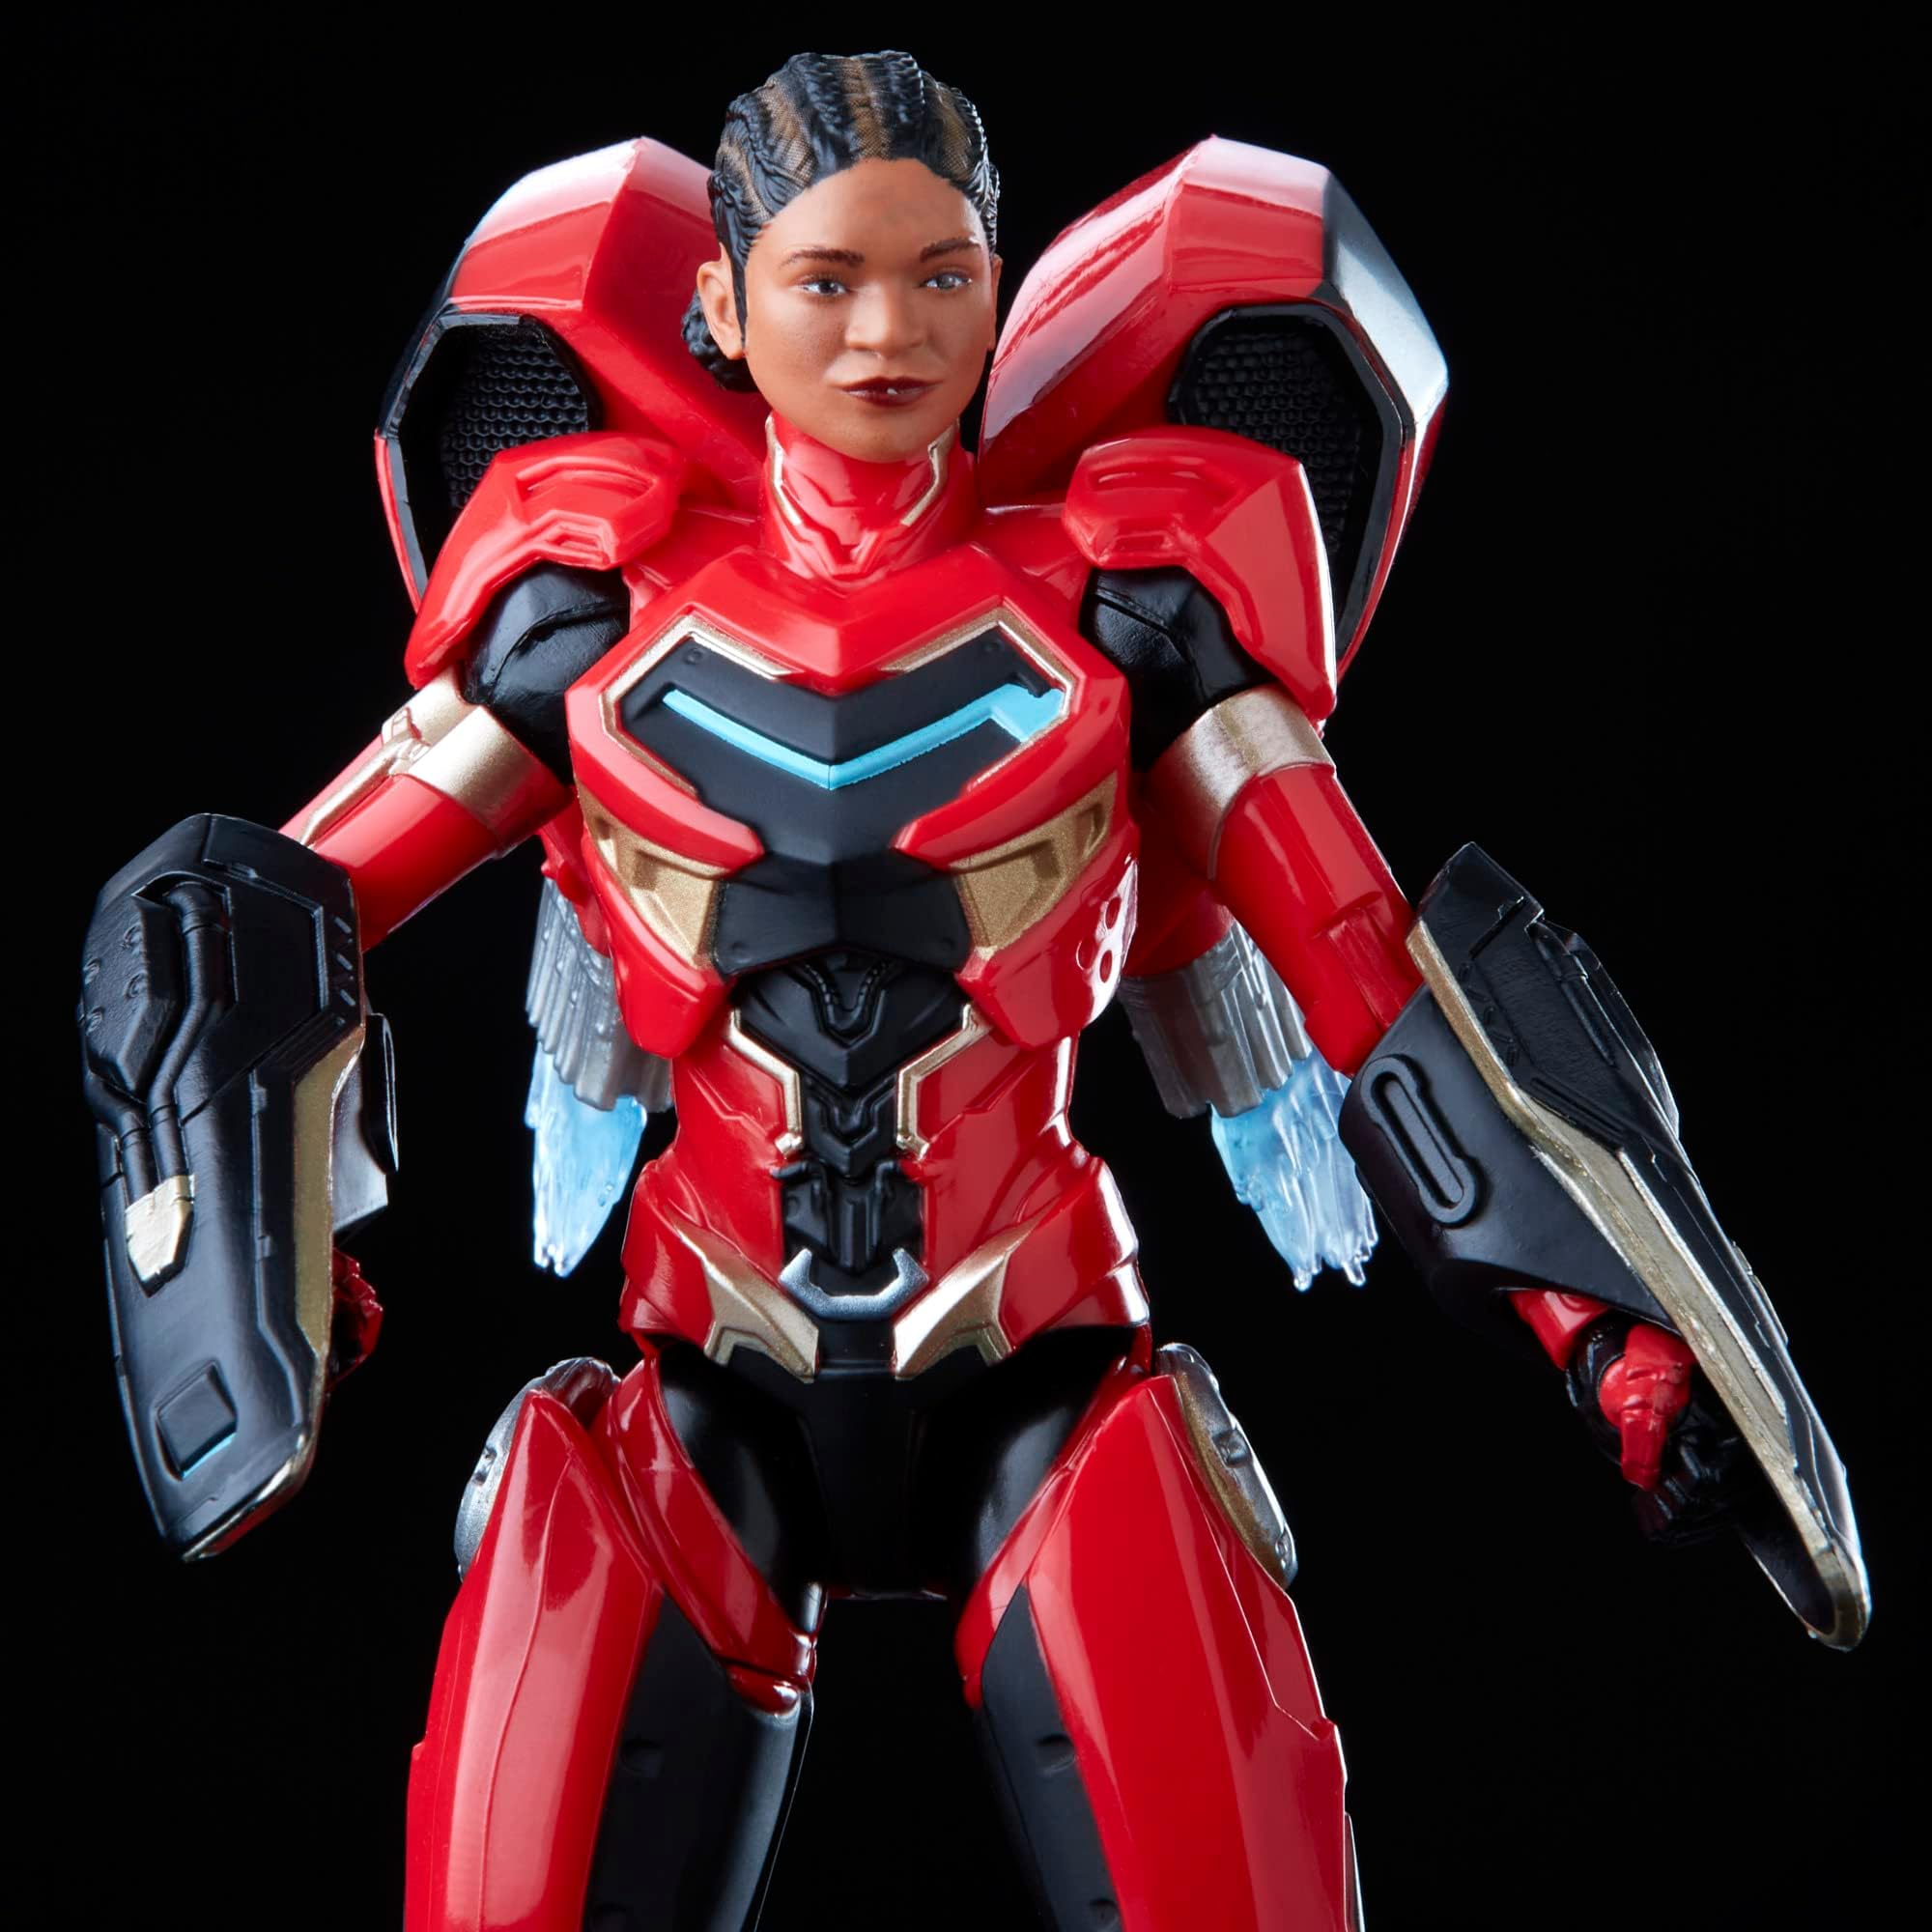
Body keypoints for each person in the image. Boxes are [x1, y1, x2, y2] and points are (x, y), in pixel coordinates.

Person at [80, 49, 1863, 1931]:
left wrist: (1615, 1337)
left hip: (1041, 1367)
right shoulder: (580, 617)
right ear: (720, 306)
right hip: (710, 1374)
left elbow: (1371, 977)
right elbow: (248, 923)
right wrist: (263, 1242)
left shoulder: (1137, 614)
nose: (888, 333)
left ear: (1000, 292)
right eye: (828, 280)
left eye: (940, 276)